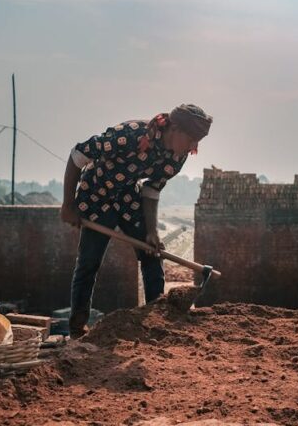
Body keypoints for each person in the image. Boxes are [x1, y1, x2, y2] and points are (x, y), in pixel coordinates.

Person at [60, 104, 212, 338]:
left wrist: (152, 231)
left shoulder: (177, 158)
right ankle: (77, 330)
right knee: (88, 263)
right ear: (176, 129)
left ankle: (157, 323)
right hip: (96, 194)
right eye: (192, 139)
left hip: (129, 196)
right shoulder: (130, 135)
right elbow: (78, 155)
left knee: (153, 254)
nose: (195, 147)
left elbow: (152, 190)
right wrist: (68, 205)